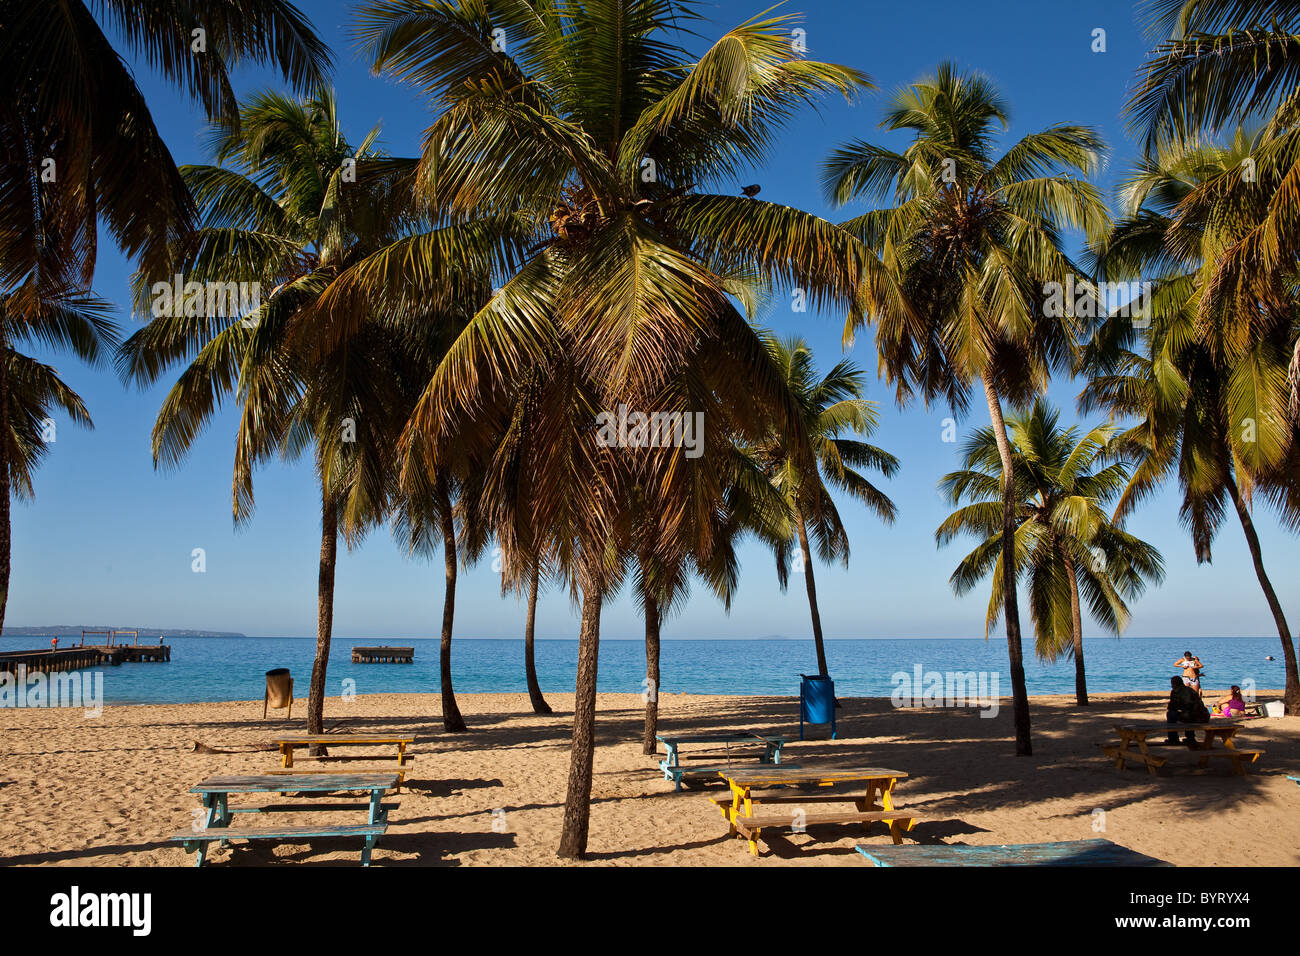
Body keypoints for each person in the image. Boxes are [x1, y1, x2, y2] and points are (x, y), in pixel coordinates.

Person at [1166, 676, 1210, 743]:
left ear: (1174, 684)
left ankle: (1173, 738)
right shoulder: (1190, 690)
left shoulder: (1176, 692)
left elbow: (1172, 707)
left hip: (1196, 717)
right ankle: (1190, 737)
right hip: (1203, 716)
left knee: (1171, 714)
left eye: (1172, 684)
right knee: (1187, 714)